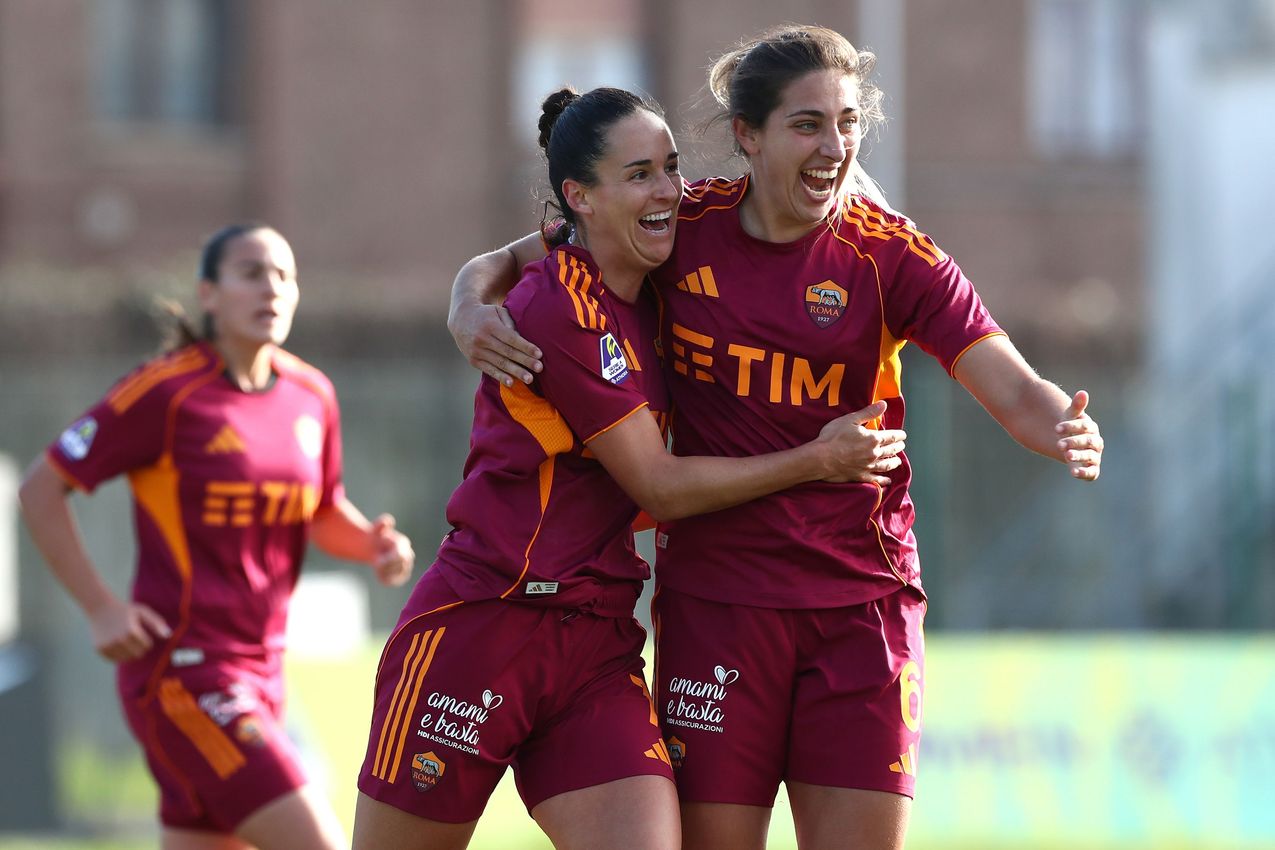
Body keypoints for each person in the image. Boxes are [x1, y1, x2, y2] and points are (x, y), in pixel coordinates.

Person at [448, 25, 1105, 850]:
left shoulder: (893, 256)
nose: (833, 146)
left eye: (847, 122)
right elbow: (521, 256)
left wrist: (1062, 426)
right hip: (719, 607)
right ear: (746, 138)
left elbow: (1009, 383)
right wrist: (466, 303)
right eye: (806, 124)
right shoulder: (680, 224)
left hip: (860, 607)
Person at [353, 86, 907, 850]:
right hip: (486, 622)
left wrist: (467, 289)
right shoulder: (556, 302)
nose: (667, 192)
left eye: (671, 169)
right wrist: (819, 460)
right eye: (641, 173)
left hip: (595, 643)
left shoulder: (665, 284)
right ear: (578, 196)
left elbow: (511, 252)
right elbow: (658, 486)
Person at [18, 223, 416, 850]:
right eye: (252, 273)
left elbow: (320, 511)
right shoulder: (167, 393)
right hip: (185, 676)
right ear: (209, 294)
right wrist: (100, 608)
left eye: (285, 275)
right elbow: (40, 488)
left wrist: (371, 544)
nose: (272, 288)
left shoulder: (312, 394)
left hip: (266, 675)